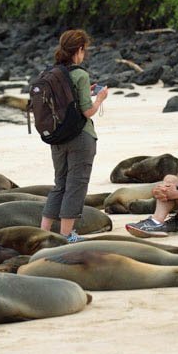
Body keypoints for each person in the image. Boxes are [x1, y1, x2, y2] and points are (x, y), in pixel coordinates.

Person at [40, 29, 108, 243]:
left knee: (59, 184)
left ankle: (43, 233)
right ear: (79, 49)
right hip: (80, 137)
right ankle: (67, 234)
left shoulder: (52, 73)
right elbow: (87, 112)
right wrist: (100, 98)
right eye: (84, 50)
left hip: (57, 137)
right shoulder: (80, 74)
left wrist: (85, 92)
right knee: (76, 184)